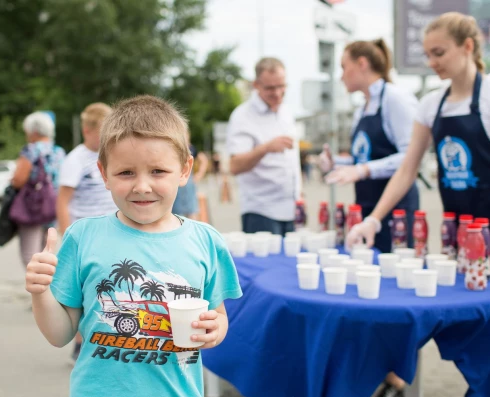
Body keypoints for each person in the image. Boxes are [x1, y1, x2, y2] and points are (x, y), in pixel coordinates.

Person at [25, 95, 242, 397]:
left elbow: (219, 317)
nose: (142, 186)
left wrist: (215, 330)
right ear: (104, 173)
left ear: (184, 171)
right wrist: (40, 292)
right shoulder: (83, 237)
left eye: (157, 171)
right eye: (126, 172)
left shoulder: (206, 242)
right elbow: (60, 334)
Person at [347, 13, 490, 397]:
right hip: (459, 237)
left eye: (439, 52)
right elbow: (407, 168)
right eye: (427, 55)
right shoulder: (432, 103)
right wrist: (374, 218)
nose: (432, 62)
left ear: (468, 47)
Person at [320, 39, 420, 254]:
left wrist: (362, 170)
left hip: (397, 212)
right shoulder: (361, 108)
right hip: (366, 206)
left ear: (362, 64)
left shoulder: (395, 99)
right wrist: (337, 162)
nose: (341, 75)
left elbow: (411, 157)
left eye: (344, 67)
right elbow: (364, 158)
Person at [56, 102, 116, 364]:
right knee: (84, 293)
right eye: (102, 132)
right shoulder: (75, 160)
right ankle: (80, 345)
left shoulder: (112, 154)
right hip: (86, 236)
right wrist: (68, 236)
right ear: (87, 130)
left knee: (109, 290)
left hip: (114, 232)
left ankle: (109, 338)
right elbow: (62, 201)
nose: (107, 138)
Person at [227, 57, 302, 235]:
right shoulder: (242, 116)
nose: (277, 93)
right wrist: (265, 148)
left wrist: (300, 194)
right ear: (257, 85)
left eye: (282, 86)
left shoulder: (286, 112)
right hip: (261, 211)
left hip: (292, 209)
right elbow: (235, 165)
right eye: (270, 88)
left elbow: (292, 161)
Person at [11, 112, 65, 268]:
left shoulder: (30, 150)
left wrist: (14, 181)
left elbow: (19, 179)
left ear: (34, 132)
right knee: (47, 252)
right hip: (52, 208)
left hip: (32, 209)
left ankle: (38, 289)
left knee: (30, 256)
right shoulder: (59, 151)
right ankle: (48, 288)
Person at [172, 135, 209, 220]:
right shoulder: (174, 148)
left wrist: (199, 174)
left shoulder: (191, 148)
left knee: (191, 210)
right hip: (178, 183)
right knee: (177, 211)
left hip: (188, 183)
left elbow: (203, 160)